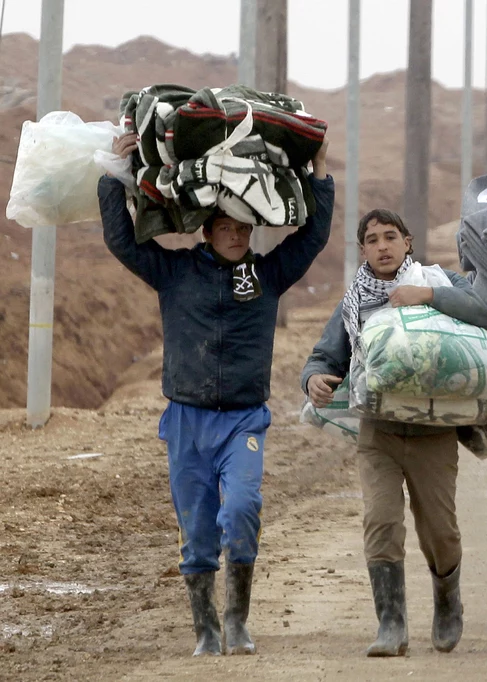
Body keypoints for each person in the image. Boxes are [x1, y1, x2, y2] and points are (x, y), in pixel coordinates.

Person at [99, 133, 334, 656]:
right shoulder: (175, 273)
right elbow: (121, 241)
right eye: (224, 227)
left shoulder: (268, 274)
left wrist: (320, 172)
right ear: (206, 230)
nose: (234, 234)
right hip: (186, 420)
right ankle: (205, 627)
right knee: (199, 530)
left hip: (243, 420)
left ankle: (237, 621)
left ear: (252, 229)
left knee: (243, 509)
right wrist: (114, 173)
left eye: (242, 227)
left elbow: (312, 237)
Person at [301, 209, 487, 657]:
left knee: (440, 531)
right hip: (379, 434)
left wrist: (424, 295)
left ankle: (448, 604)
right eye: (372, 239)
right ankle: (391, 624)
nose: (383, 246)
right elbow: (324, 356)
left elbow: (485, 312)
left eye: (391, 237)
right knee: (381, 522)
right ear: (362, 250)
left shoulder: (436, 280)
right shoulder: (354, 302)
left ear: (408, 242)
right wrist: (312, 379)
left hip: (433, 431)